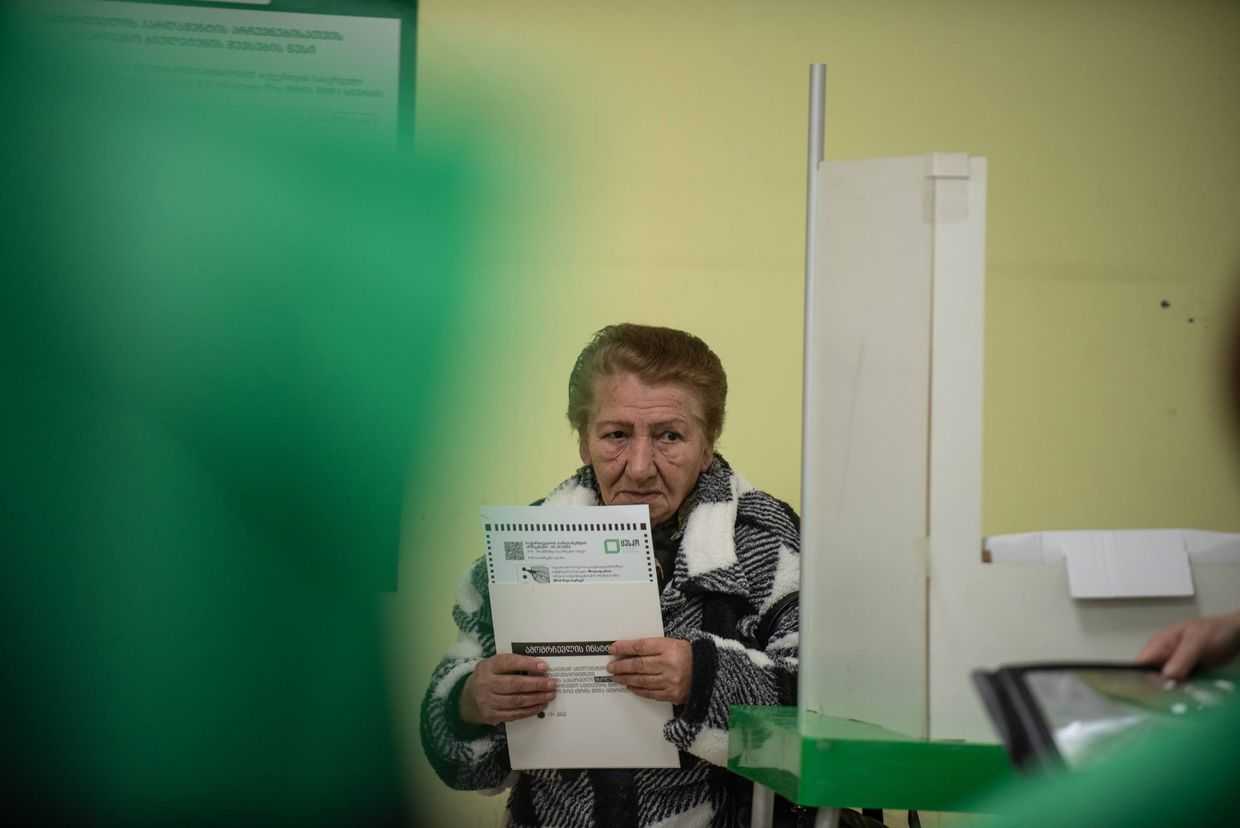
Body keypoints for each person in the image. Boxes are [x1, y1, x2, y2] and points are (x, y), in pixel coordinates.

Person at [420, 323, 802, 827]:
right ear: (584, 442)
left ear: (707, 446)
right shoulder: (525, 543)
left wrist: (702, 677)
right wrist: (472, 702)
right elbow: (458, 759)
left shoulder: (764, 540)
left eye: (669, 436)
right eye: (616, 435)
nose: (640, 467)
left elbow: (819, 724)